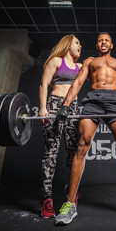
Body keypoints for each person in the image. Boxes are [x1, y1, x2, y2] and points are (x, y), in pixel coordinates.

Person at [54, 32, 116, 225]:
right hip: (93, 101)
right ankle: (70, 204)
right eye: (100, 40)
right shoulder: (89, 62)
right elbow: (78, 83)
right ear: (97, 44)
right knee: (81, 146)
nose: (103, 42)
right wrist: (66, 106)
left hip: (115, 101)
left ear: (111, 45)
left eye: (106, 40)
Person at [39, 34, 82, 218]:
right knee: (51, 153)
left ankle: (71, 192)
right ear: (67, 44)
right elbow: (44, 84)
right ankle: (46, 199)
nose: (80, 45)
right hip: (55, 105)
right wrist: (42, 108)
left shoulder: (81, 67)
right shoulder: (56, 61)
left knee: (73, 153)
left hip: (73, 107)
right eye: (77, 42)